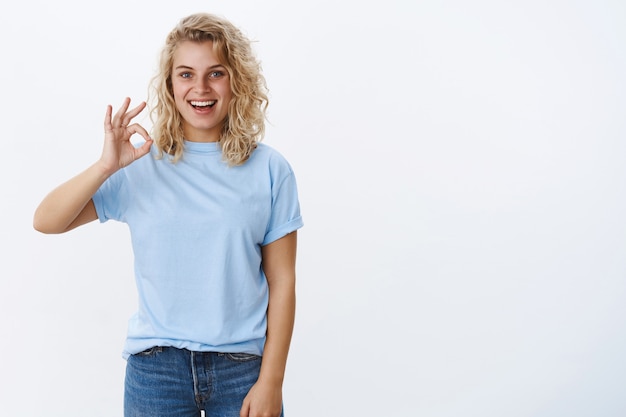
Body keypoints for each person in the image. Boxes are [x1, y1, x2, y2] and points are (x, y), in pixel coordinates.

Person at [33, 12, 303, 417]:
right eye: (185, 74)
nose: (200, 88)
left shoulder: (269, 169)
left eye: (216, 73)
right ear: (169, 84)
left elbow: (283, 282)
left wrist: (272, 381)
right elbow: (46, 220)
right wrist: (106, 166)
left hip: (242, 370)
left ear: (236, 81)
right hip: (157, 370)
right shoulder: (140, 165)